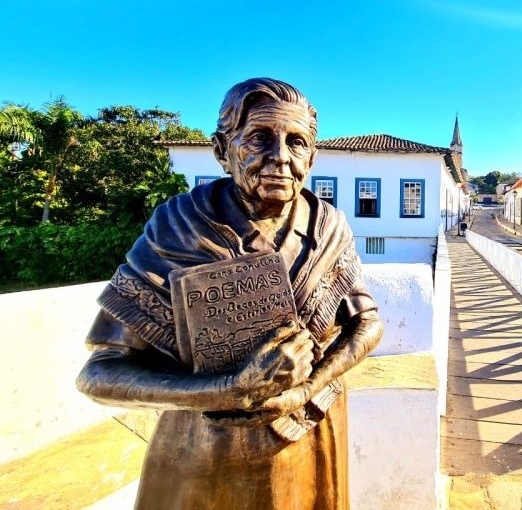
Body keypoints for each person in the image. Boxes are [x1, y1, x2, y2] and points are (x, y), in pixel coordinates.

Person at [76, 77, 384, 509]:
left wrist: (306, 387)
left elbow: (366, 324)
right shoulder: (178, 229)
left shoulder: (328, 226)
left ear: (311, 157)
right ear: (222, 151)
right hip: (207, 446)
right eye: (259, 139)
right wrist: (226, 389)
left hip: (311, 428)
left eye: (296, 143)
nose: (280, 157)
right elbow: (99, 374)